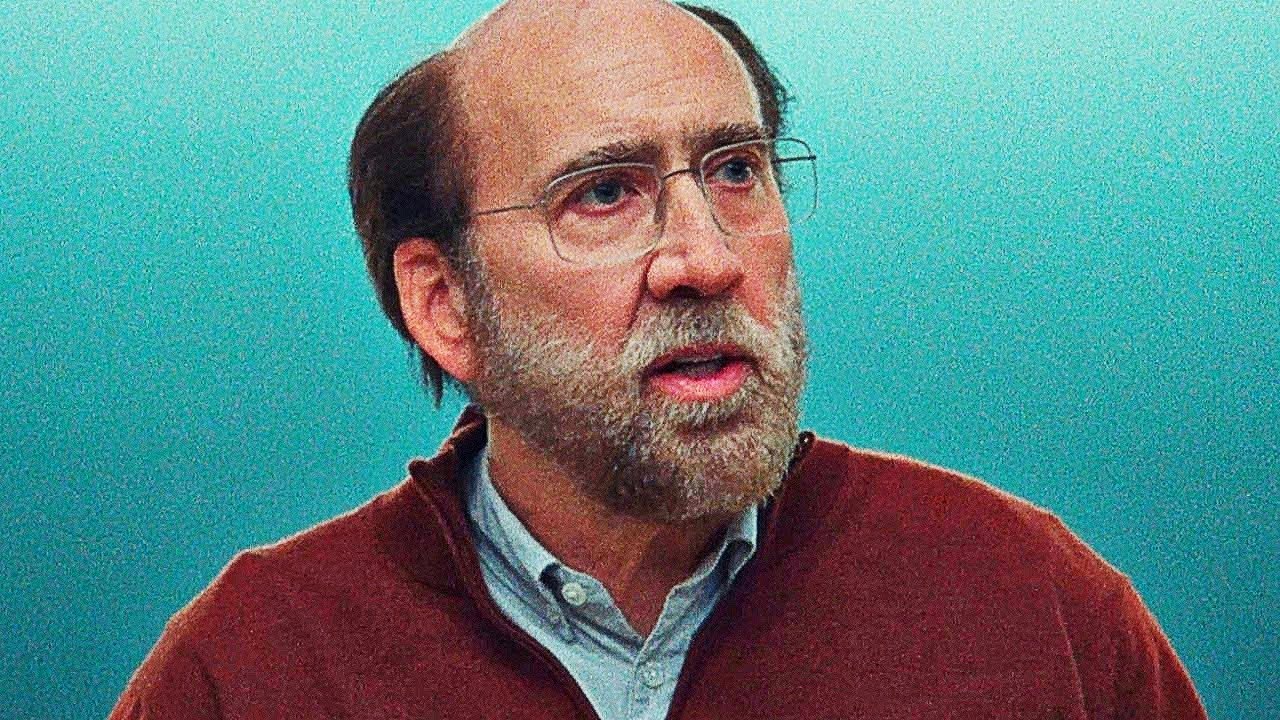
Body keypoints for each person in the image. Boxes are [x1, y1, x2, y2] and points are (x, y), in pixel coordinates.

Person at [111, 1, 1207, 718]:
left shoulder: (1025, 602)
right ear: (444, 305)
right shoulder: (254, 668)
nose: (706, 259)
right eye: (603, 193)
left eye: (735, 170)